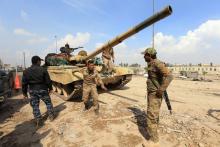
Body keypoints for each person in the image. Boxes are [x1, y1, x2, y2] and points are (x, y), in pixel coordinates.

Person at [142, 48, 173, 146]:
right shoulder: (151, 63)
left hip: (156, 94)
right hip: (151, 93)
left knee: (151, 116)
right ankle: (154, 132)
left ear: (150, 55)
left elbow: (169, 76)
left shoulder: (157, 63)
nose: (144, 57)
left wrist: (161, 89)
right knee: (153, 115)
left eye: (145, 55)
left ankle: (154, 141)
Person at [22, 56, 54, 127]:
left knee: (35, 106)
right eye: (40, 61)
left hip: (32, 90)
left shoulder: (26, 71)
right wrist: (50, 88)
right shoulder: (43, 70)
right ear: (38, 61)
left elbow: (24, 84)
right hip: (43, 89)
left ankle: (38, 119)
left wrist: (24, 93)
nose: (40, 62)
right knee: (48, 103)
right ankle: (51, 116)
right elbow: (48, 81)